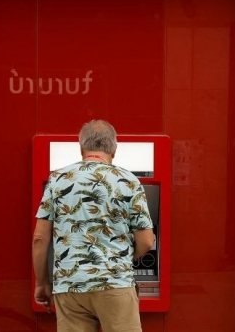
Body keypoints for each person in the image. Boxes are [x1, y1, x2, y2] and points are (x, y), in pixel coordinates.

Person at [32, 119, 155, 332]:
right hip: (115, 283)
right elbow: (146, 241)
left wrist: (42, 283)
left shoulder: (58, 179)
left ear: (81, 148)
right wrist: (121, 257)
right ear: (114, 150)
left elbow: (40, 239)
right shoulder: (129, 181)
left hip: (70, 286)